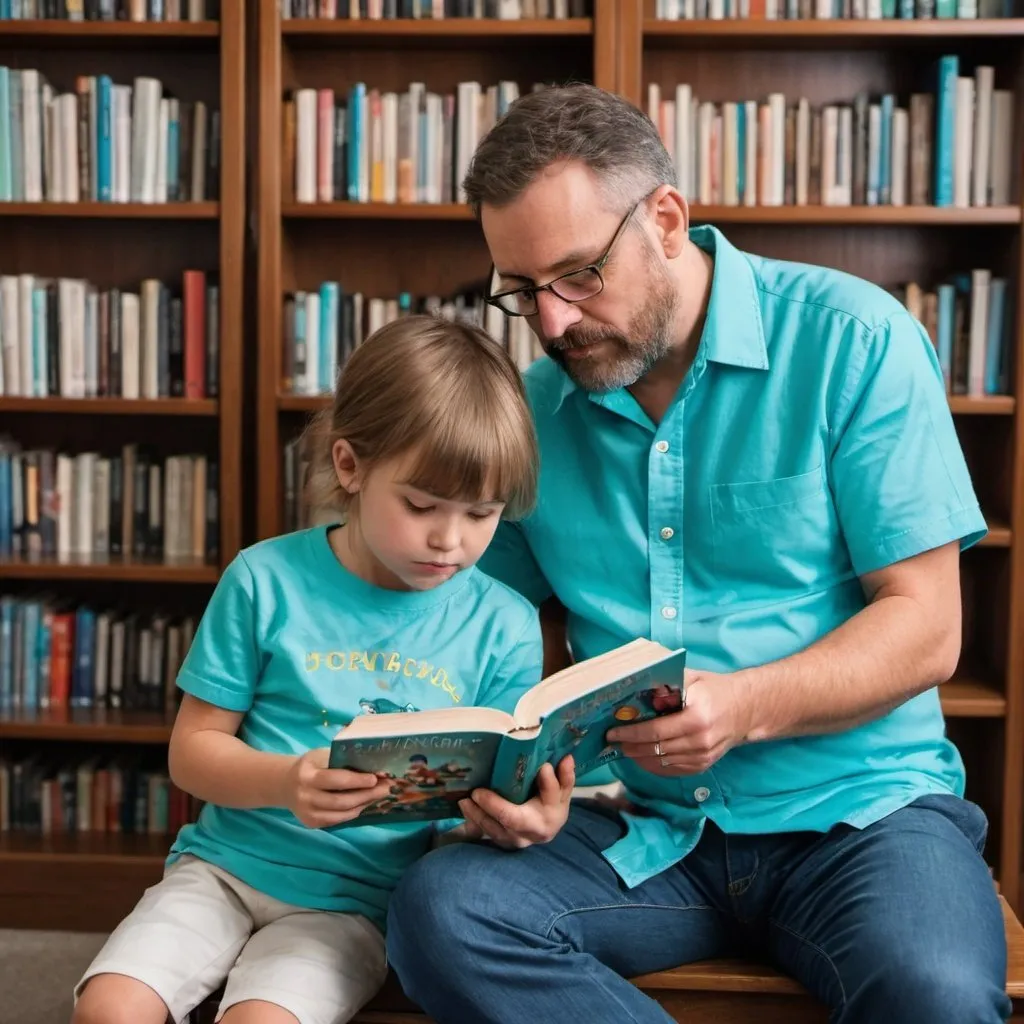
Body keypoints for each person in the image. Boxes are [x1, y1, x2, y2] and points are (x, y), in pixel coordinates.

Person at [385, 84, 1012, 1024]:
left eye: (577, 276)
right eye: (520, 291)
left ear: (666, 221)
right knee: (442, 915)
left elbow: (927, 632)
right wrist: (515, 784)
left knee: (935, 991)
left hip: (861, 816)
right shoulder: (532, 408)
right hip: (641, 830)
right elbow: (478, 634)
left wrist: (746, 706)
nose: (551, 324)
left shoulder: (855, 341)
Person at [70, 314, 576, 1024]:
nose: (450, 541)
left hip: (354, 903)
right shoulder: (263, 580)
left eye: (482, 513)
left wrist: (515, 816)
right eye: (422, 505)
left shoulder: (504, 625)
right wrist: (285, 782)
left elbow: (469, 810)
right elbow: (190, 754)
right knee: (109, 1009)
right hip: (221, 871)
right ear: (350, 466)